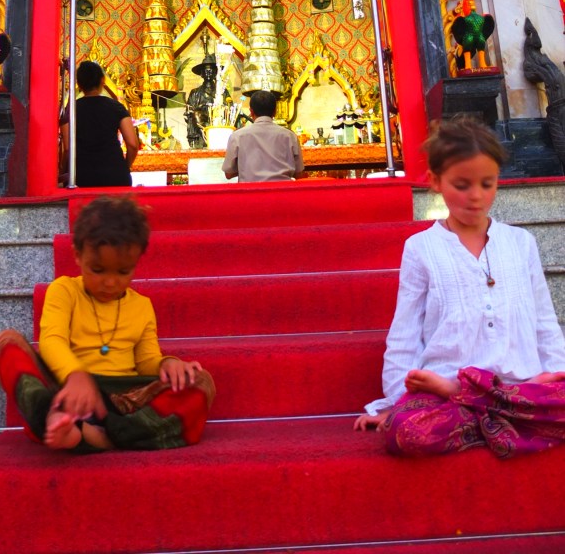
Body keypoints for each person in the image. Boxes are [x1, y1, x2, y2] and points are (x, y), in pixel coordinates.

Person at [354, 116, 565, 458]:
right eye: (462, 185)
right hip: (445, 387)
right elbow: (405, 332)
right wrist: (395, 402)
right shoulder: (421, 248)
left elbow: (544, 319)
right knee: (406, 431)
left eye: (487, 183)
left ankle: (474, 401)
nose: (476, 196)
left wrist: (556, 375)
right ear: (436, 181)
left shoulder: (521, 242)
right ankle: (478, 401)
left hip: (524, 387)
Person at [0, 196, 215, 454]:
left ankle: (99, 437)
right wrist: (75, 376)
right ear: (77, 255)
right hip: (66, 392)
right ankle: (57, 419)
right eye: (98, 270)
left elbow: (146, 361)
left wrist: (167, 365)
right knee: (4, 343)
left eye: (123, 272)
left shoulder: (141, 306)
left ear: (136, 262)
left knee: (201, 382)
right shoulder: (63, 291)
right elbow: (52, 340)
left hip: (122, 401)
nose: (110, 282)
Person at [61, 60, 139, 187]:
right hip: (115, 175)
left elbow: (67, 149)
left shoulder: (69, 111)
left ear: (79, 84)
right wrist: (125, 167)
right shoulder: (116, 107)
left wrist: (62, 172)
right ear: (103, 80)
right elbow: (132, 144)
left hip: (81, 176)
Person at [221, 89, 304, 183]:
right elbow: (299, 173)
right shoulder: (290, 136)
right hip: (282, 190)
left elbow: (228, 174)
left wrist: (247, 169)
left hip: (250, 191)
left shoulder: (237, 136)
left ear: (251, 111)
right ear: (275, 111)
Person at [184, 52, 218, 149]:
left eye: (211, 71)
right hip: (199, 130)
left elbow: (228, 107)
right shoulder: (195, 92)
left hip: (217, 128)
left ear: (215, 73)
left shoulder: (221, 91)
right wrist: (197, 110)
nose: (208, 73)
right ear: (201, 74)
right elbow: (189, 111)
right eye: (206, 71)